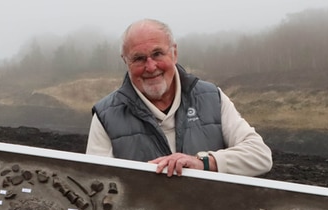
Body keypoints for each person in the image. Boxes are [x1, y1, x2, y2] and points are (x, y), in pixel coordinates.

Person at [86, 19, 272, 177]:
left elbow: (260, 156)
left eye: (157, 54)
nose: (150, 67)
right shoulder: (105, 116)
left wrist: (203, 163)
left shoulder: (211, 98)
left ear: (174, 53)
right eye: (139, 58)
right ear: (125, 61)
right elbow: (96, 185)